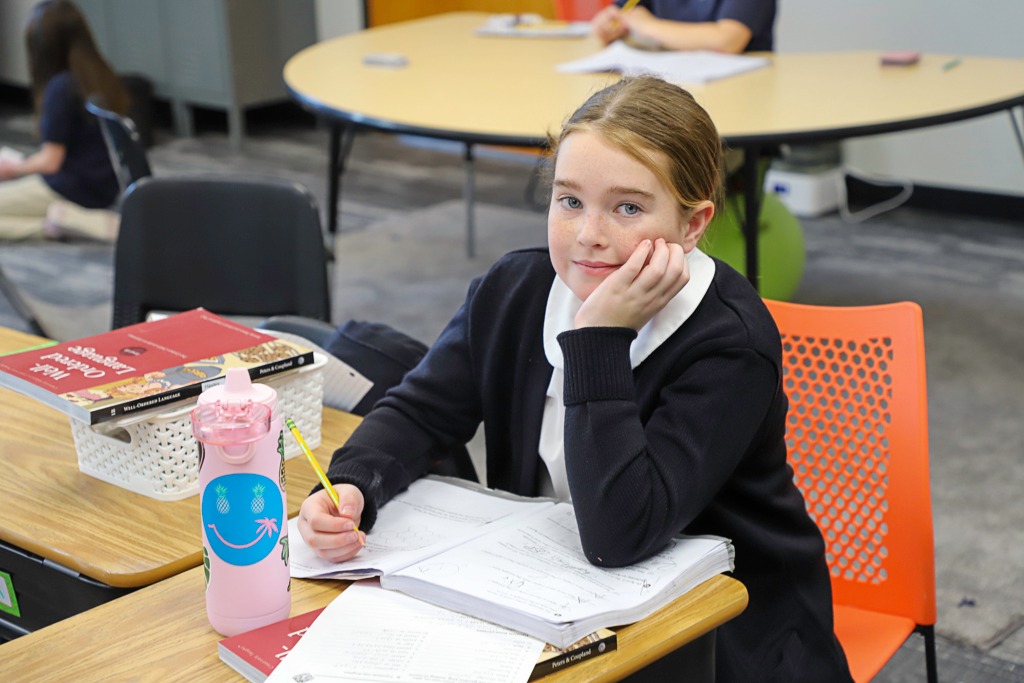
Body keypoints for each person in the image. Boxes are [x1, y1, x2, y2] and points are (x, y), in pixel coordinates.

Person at [297, 75, 852, 682]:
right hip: (553, 599)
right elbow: (422, 411)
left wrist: (598, 339)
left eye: (628, 207)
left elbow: (620, 532)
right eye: (569, 201)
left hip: (727, 633)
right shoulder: (515, 289)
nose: (589, 234)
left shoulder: (730, 343)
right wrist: (353, 484)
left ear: (693, 226)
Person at [0, 0, 129, 242]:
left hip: (70, 187)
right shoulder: (101, 74)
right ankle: (67, 218)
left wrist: (13, 168)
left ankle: (54, 226)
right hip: (104, 187)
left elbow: (50, 162)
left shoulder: (59, 88)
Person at [592, 0, 777, 54]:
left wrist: (647, 26)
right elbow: (621, 12)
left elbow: (727, 40)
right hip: (668, 88)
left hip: (737, 98)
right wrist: (608, 23)